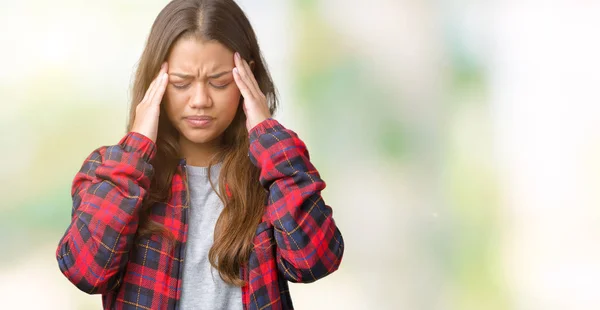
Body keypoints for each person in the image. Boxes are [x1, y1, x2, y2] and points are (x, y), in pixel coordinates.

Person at [55, 0, 344, 309]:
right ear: (156, 82)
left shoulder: (274, 167)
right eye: (181, 83)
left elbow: (314, 262)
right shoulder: (113, 171)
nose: (200, 100)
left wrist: (267, 134)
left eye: (219, 82)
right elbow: (85, 272)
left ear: (247, 78)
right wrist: (136, 147)